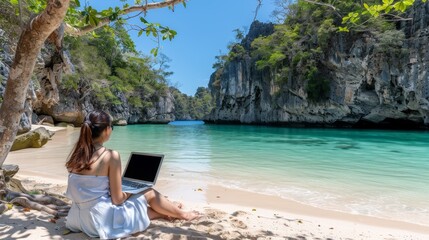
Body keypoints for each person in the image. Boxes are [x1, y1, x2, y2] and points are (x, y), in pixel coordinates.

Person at [65, 110, 200, 239]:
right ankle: (183, 215)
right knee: (148, 192)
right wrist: (132, 190)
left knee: (136, 204)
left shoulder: (77, 155)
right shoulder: (111, 155)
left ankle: (168, 210)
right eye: (112, 127)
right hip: (100, 222)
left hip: (76, 219)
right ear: (107, 130)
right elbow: (117, 200)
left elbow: (91, 189)